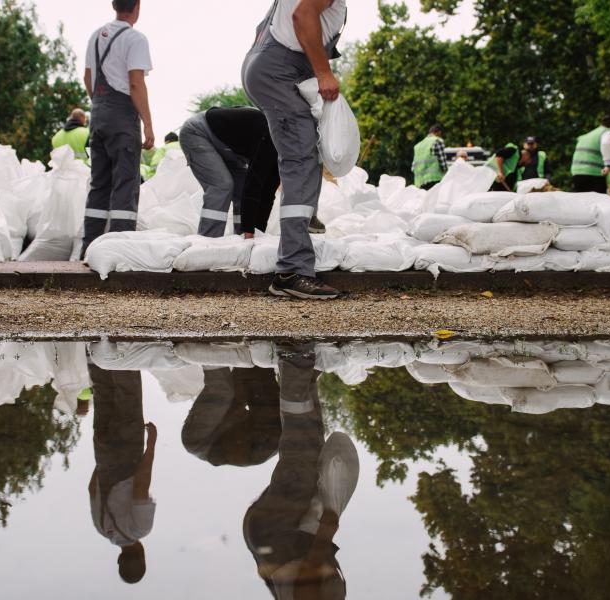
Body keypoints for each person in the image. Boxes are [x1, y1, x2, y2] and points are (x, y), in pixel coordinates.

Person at [242, 0, 348, 300]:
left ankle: (306, 216)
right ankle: (292, 270)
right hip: (280, 68)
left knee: (303, 151)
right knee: (300, 158)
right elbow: (302, 15)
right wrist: (324, 73)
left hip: (269, 64)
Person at [243, 344, 359, 600]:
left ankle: (295, 362)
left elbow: (306, 575)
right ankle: (300, 375)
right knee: (310, 448)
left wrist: (326, 534)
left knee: (301, 453)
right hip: (280, 535)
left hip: (276, 535)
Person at [81, 0, 155, 257]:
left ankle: (89, 248)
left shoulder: (95, 36)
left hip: (98, 113)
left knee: (99, 184)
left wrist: (100, 105)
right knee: (125, 182)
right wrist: (148, 124)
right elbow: (136, 83)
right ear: (137, 7)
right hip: (122, 117)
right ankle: (118, 252)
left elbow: (87, 79)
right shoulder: (135, 39)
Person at [87, 362, 156, 584]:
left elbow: (140, 486)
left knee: (128, 395)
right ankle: (94, 353)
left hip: (126, 455)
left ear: (143, 556)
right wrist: (104, 460)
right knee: (104, 395)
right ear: (119, 560)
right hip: (104, 456)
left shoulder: (140, 529)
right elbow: (91, 488)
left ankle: (122, 348)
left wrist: (152, 444)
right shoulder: (102, 528)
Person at [180, 107, 280, 238]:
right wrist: (250, 234)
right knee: (222, 185)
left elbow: (267, 194)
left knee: (242, 187)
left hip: (227, 146)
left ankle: (240, 236)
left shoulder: (281, 154)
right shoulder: (271, 137)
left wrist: (257, 232)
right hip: (198, 132)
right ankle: (208, 241)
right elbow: (254, 186)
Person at [571, 116, 610, 194]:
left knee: (581, 202)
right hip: (593, 173)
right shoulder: (608, 132)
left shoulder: (589, 134)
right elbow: (606, 143)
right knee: (598, 202)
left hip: (576, 172)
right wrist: (608, 164)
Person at [411, 123, 449, 190]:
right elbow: (443, 163)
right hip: (434, 180)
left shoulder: (417, 146)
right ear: (439, 132)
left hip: (420, 182)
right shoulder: (437, 141)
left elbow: (413, 168)